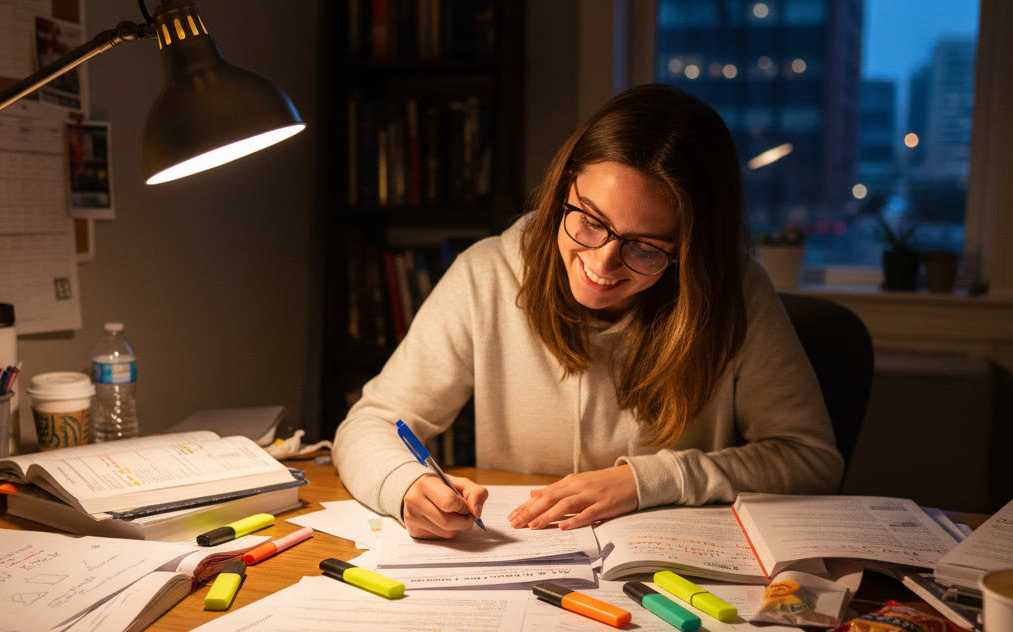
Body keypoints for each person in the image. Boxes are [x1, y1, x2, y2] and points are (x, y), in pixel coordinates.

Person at [332, 84, 843, 540]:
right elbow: (369, 424)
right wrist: (406, 484)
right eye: (590, 220)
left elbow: (811, 460)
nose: (602, 264)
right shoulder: (486, 273)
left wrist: (647, 481)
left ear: (690, 248)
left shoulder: (736, 294)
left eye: (645, 247)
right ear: (565, 188)